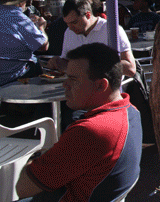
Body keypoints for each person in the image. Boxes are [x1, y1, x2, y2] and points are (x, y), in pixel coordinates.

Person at [15, 43, 142, 202]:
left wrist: (36, 156)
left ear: (101, 85)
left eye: (73, 79)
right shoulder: (132, 112)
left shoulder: (90, 132)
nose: (64, 84)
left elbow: (22, 188)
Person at [48, 0, 136, 77]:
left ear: (88, 15)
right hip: (77, 87)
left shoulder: (112, 30)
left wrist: (95, 65)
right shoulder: (69, 32)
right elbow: (67, 62)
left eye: (74, 22)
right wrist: (58, 62)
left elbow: (130, 68)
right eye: (67, 24)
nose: (70, 28)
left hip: (106, 88)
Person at [0, 0, 48, 86]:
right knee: (42, 67)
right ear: (21, 2)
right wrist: (41, 27)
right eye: (26, 2)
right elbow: (43, 46)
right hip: (12, 74)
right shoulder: (18, 17)